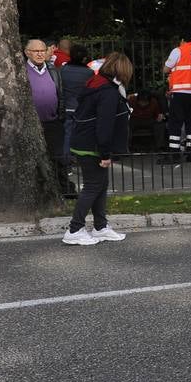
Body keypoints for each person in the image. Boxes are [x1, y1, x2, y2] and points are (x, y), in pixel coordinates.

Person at [62, 52, 133, 245]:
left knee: (100, 185)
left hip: (84, 141)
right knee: (93, 186)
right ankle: (74, 229)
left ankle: (100, 226)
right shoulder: (108, 91)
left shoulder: (95, 84)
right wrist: (105, 153)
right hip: (92, 146)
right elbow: (105, 124)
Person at [23, 39, 68, 194]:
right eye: (36, 51)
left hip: (53, 121)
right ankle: (37, 191)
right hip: (32, 123)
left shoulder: (52, 70)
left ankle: (64, 189)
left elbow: (60, 93)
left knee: (58, 157)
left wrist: (60, 114)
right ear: (27, 52)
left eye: (42, 50)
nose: (40, 54)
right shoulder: (21, 71)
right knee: (34, 159)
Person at [161, 37, 191, 164]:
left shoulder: (178, 51)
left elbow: (166, 69)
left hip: (180, 92)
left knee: (175, 122)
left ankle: (174, 154)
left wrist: (168, 69)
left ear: (182, 40)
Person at [59, 44, 94, 181]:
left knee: (67, 134)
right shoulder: (89, 73)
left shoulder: (63, 70)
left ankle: (66, 162)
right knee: (84, 135)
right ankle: (84, 160)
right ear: (85, 58)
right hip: (82, 108)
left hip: (67, 106)